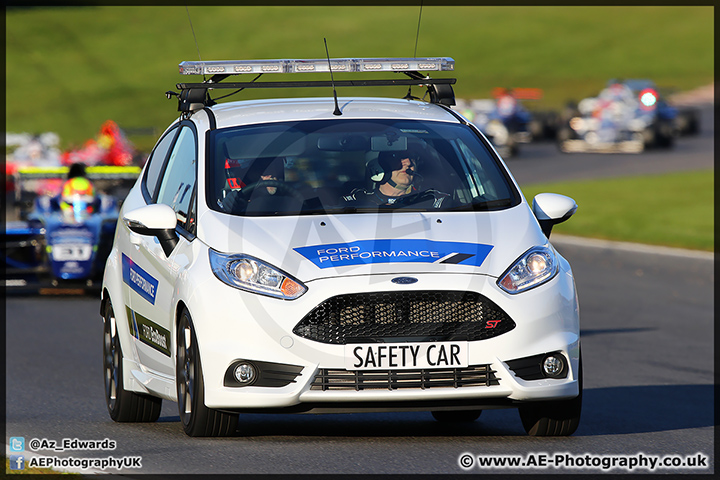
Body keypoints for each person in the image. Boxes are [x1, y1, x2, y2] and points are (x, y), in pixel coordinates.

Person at [344, 148, 449, 208]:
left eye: (411, 157)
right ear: (377, 165)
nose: (408, 163)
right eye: (397, 156)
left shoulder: (435, 200)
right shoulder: (356, 200)